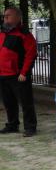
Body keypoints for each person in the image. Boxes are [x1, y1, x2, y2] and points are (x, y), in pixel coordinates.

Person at [0, 7, 37, 137]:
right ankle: (12, 125)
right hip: (3, 74)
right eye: (4, 16)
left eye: (8, 16)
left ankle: (30, 127)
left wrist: (24, 72)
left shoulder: (24, 34)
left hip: (18, 75)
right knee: (8, 102)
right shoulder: (2, 32)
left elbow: (31, 54)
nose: (5, 18)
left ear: (18, 17)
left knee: (26, 102)